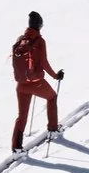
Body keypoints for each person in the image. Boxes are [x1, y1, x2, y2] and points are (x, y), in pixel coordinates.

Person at [11, 11, 63, 151]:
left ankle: (16, 148)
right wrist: (55, 76)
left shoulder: (20, 39)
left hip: (21, 85)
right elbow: (44, 63)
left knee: (21, 116)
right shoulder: (39, 41)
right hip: (36, 83)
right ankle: (52, 129)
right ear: (40, 25)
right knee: (52, 97)